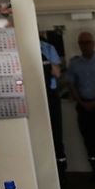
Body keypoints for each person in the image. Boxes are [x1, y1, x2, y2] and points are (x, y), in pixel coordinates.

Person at [66, 31, 95, 178]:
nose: (85, 46)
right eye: (82, 43)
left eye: (87, 42)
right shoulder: (74, 64)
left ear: (93, 44)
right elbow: (72, 85)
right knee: (89, 140)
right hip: (83, 107)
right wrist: (82, 103)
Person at [38, 34, 66, 176]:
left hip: (50, 96)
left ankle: (61, 172)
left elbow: (57, 73)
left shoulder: (47, 48)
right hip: (33, 98)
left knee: (56, 135)